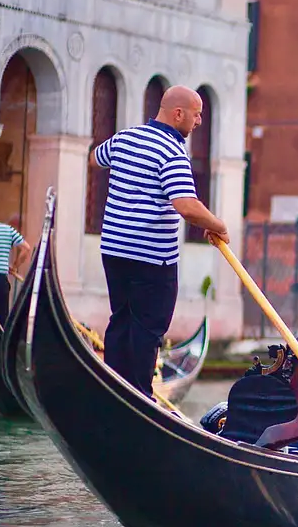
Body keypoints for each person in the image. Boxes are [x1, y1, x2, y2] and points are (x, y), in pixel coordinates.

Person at [89, 85, 230, 400]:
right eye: (196, 115)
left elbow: (95, 158)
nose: (199, 123)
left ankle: (113, 388)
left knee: (121, 320)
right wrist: (217, 224)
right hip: (152, 258)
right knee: (147, 328)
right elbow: (185, 205)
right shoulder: (172, 150)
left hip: (114, 250)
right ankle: (138, 397)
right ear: (178, 113)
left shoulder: (125, 137)